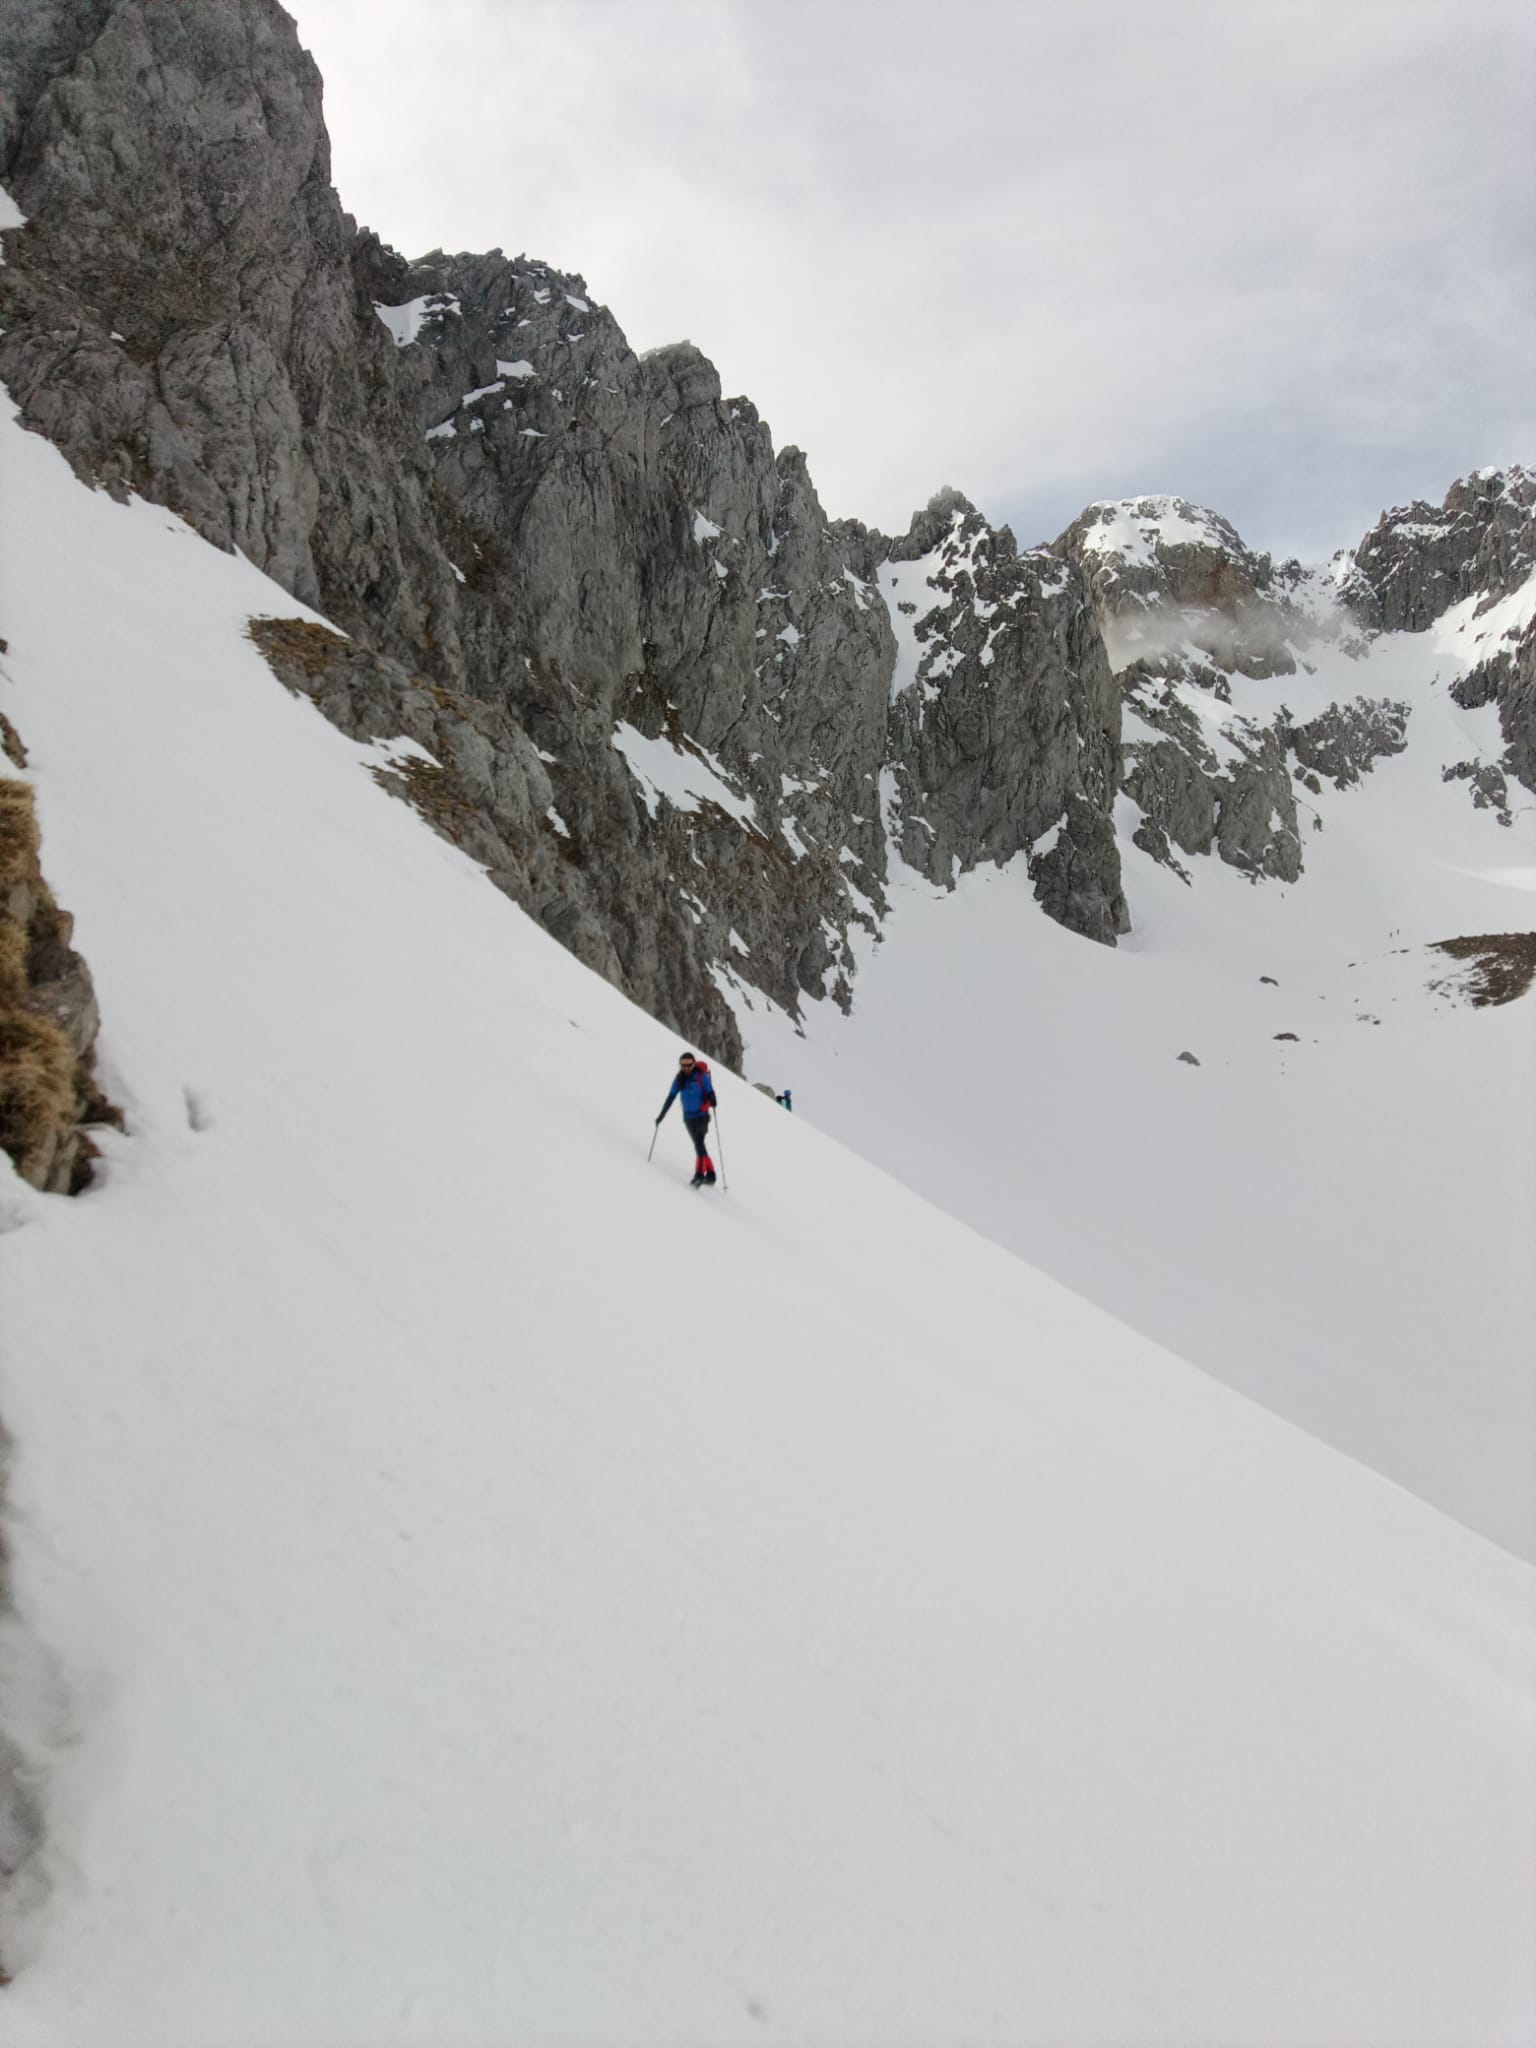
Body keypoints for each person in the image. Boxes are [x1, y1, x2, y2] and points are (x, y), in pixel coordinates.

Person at [656, 1050, 717, 1186]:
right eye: (683, 1065)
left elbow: (711, 1093)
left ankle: (699, 1175)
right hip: (688, 1118)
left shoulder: (701, 1077)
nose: (686, 1068)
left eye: (689, 1065)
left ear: (694, 1064)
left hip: (702, 1116)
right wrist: (661, 1115)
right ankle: (711, 1174)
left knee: (699, 1143)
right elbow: (670, 1097)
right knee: (699, 1145)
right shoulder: (679, 1080)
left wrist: (712, 1100)